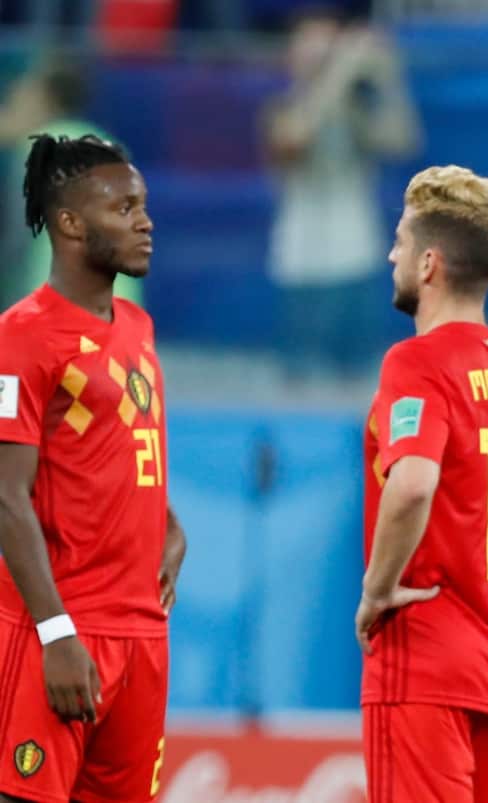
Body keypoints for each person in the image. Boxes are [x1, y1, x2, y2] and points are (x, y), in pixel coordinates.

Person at [0, 134, 187, 802]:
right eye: (125, 207)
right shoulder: (20, 338)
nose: (146, 220)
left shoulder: (136, 324)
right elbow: (5, 498)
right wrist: (55, 633)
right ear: (71, 223)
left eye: (144, 204)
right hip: (61, 631)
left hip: (141, 636)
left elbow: (110, 444)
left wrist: (165, 518)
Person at [354, 164, 488, 803]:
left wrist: (377, 590)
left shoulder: (415, 362)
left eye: (401, 243)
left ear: (430, 263)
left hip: (426, 652)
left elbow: (412, 484)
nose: (391, 255)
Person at [262, 9, 421, 381]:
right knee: (299, 375)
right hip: (300, 260)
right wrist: (342, 69)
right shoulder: (279, 109)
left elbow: (404, 141)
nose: (320, 58)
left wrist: (389, 81)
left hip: (354, 256)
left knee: (356, 375)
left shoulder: (355, 111)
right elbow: (293, 139)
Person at [0, 54, 142, 308]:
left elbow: (16, 243)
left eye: (14, 99)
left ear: (40, 99)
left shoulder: (39, 148)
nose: (7, 108)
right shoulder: (103, 143)